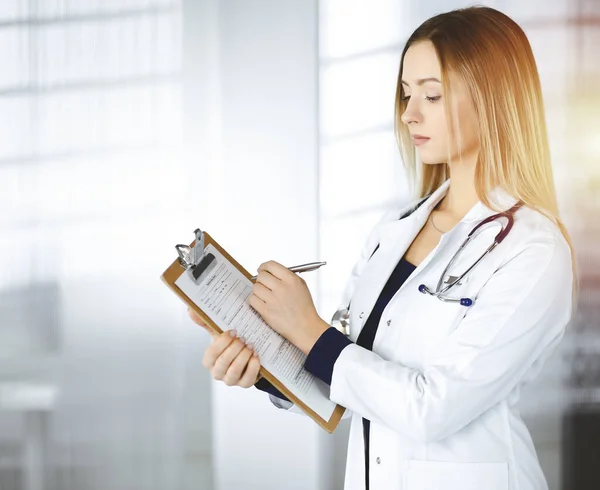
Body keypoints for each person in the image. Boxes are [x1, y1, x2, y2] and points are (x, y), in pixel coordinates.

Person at [189, 6, 577, 490]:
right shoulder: (393, 231)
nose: (409, 113)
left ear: (492, 98)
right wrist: (263, 354)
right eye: (407, 93)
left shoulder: (533, 252)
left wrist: (308, 328)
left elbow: (431, 408)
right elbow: (350, 382)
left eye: (431, 95)